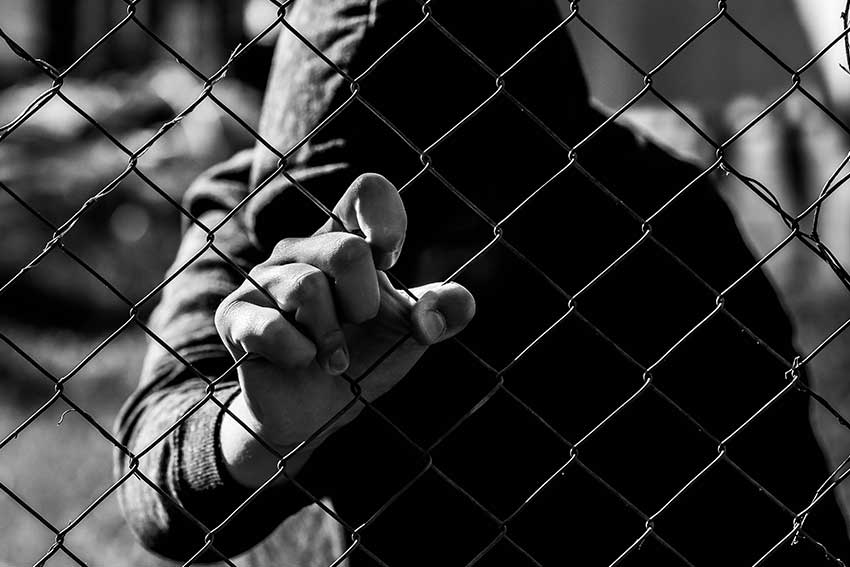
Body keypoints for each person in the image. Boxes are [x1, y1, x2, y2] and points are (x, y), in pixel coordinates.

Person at [115, 0, 850, 564]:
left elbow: (788, 525)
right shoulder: (250, 212)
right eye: (328, 210)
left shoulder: (662, 228)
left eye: (437, 215)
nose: (376, 254)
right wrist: (262, 429)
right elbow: (155, 488)